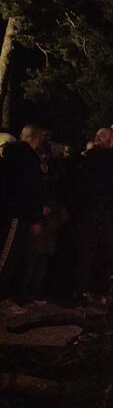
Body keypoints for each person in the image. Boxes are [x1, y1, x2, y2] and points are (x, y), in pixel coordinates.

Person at [71, 127, 113, 296]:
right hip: (91, 214)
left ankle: (107, 291)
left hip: (108, 215)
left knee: (108, 255)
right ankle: (82, 290)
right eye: (98, 135)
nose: (99, 138)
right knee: (86, 254)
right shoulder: (88, 160)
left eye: (103, 136)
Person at [0, 125, 46, 298]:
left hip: (14, 212)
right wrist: (35, 218)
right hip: (14, 214)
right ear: (38, 138)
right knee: (7, 256)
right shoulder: (26, 159)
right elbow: (30, 190)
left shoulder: (12, 156)